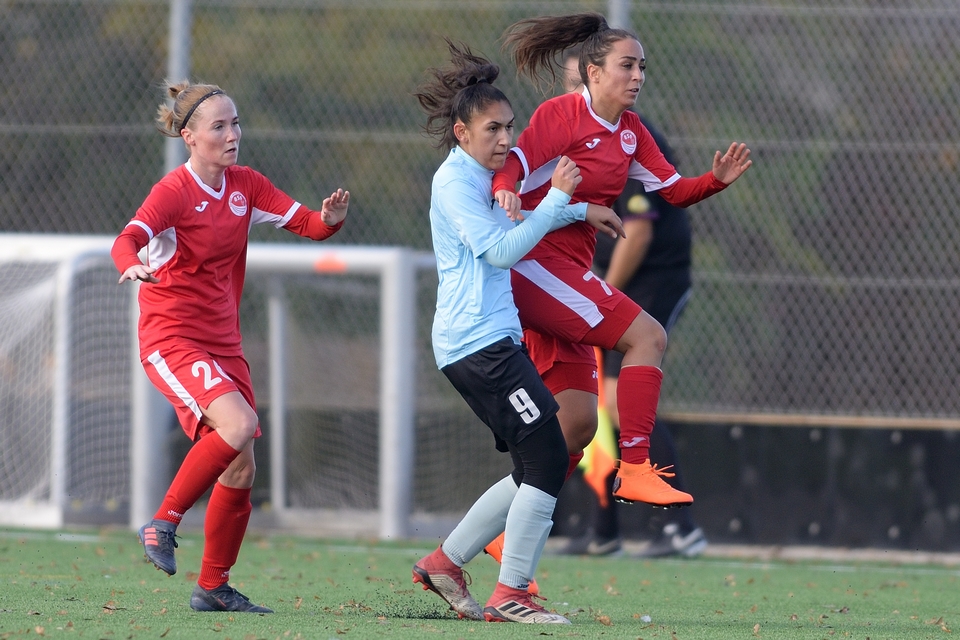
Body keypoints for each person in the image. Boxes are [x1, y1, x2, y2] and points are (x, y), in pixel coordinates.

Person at [490, 12, 751, 512]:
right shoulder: (561, 114)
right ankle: (634, 469)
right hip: (533, 265)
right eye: (627, 66)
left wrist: (714, 180)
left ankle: (495, 532)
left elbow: (674, 191)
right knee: (648, 336)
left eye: (642, 67)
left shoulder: (632, 131)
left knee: (575, 427)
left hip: (566, 273)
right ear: (593, 72)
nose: (638, 77)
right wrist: (505, 191)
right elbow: (515, 164)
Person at [111, 80, 349, 613]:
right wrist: (130, 263)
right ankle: (163, 522)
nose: (232, 134)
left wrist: (329, 220)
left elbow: (308, 224)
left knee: (241, 467)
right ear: (190, 137)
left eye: (235, 123)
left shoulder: (246, 185)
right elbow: (127, 239)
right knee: (238, 426)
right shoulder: (174, 191)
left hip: (223, 344)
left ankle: (212, 587)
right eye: (218, 126)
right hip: (172, 339)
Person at [410, 40, 623, 625]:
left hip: (488, 343)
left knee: (539, 462)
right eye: (493, 129)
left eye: (509, 127)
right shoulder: (455, 184)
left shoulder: (479, 177)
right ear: (461, 133)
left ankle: (446, 562)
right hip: (477, 346)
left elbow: (515, 219)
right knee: (549, 457)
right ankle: (511, 595)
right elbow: (502, 250)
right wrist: (559, 199)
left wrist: (577, 211)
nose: (506, 139)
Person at [555, 50, 707, 558]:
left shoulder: (632, 136)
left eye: (580, 82)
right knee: (590, 399)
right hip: (609, 282)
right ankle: (603, 530)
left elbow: (638, 233)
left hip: (653, 281)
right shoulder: (570, 136)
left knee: (620, 398)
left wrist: (596, 295)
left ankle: (680, 527)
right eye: (570, 82)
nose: (573, 92)